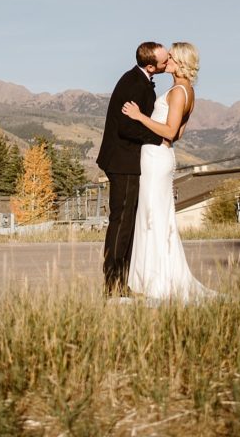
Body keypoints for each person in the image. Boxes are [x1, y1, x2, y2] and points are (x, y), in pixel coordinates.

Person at [122, 41, 215, 302]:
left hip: (156, 158)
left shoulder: (177, 93)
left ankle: (153, 282)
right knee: (158, 217)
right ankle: (154, 277)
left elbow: (171, 131)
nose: (167, 61)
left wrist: (140, 116)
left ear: (181, 63)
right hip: (163, 156)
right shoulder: (189, 92)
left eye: (172, 57)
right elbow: (180, 133)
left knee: (151, 217)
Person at [97, 41, 170, 297]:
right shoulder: (134, 84)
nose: (168, 61)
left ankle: (121, 282)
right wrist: (159, 139)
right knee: (121, 223)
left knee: (126, 223)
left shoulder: (138, 79)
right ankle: (113, 285)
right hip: (123, 162)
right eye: (164, 60)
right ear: (150, 66)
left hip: (127, 160)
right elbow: (127, 127)